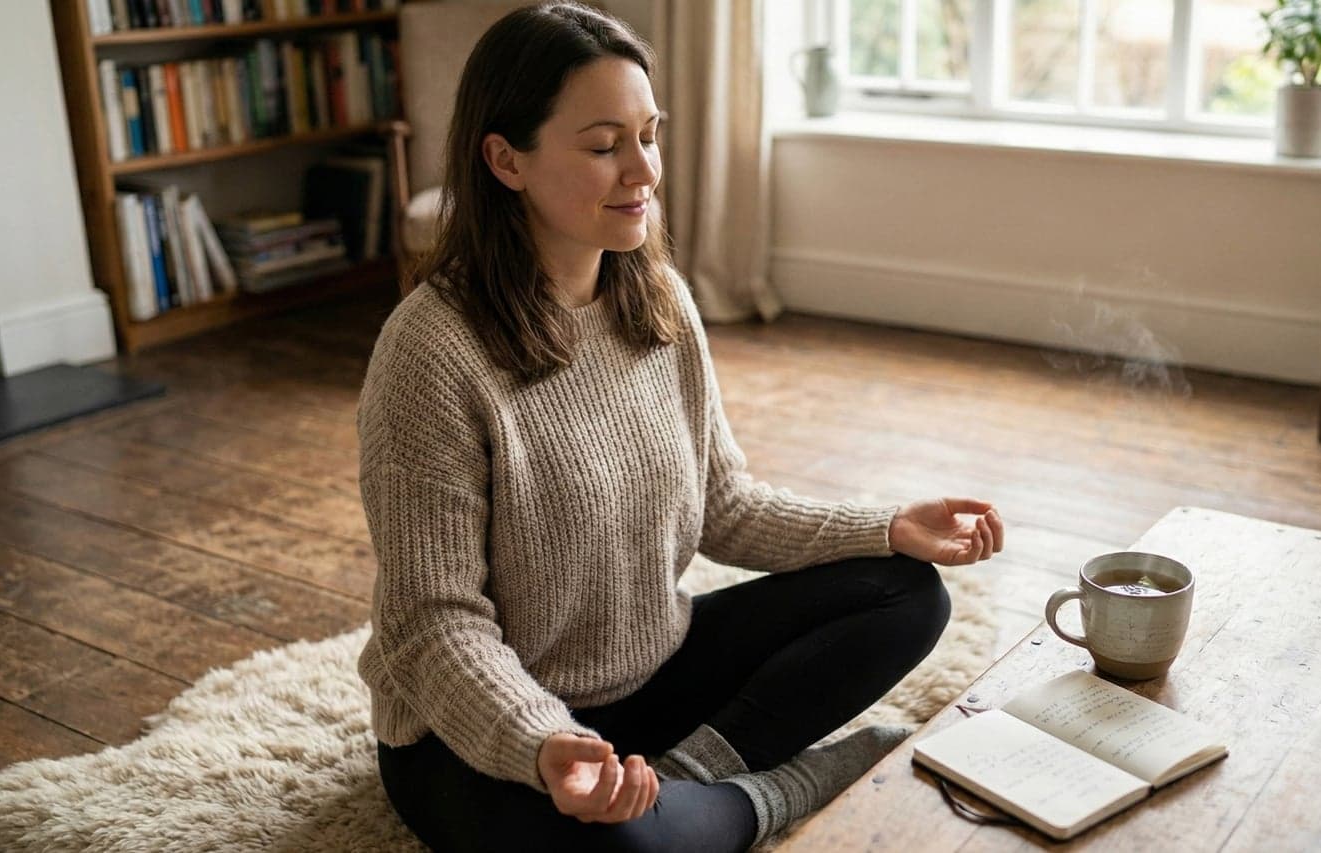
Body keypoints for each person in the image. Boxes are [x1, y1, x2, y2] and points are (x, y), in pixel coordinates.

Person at [357, 3, 1004, 850]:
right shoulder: (431, 350)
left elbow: (724, 505)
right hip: (474, 732)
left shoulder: (653, 296)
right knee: (621, 848)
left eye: (649, 136)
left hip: (650, 670)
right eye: (603, 146)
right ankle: (789, 787)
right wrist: (545, 745)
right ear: (505, 160)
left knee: (905, 589)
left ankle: (690, 781)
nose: (643, 172)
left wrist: (885, 525)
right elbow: (432, 623)